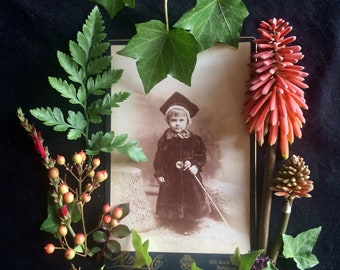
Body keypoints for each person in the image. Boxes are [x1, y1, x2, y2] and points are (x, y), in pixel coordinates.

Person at [153, 92, 210, 234]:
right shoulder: (166, 139)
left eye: (181, 120)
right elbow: (159, 157)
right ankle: (174, 220)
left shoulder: (194, 139)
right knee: (172, 197)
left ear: (187, 121)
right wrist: (159, 173)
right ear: (168, 121)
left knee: (191, 197)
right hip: (172, 177)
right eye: (173, 120)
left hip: (189, 176)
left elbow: (201, 154)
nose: (177, 123)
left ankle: (189, 223)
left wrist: (196, 166)